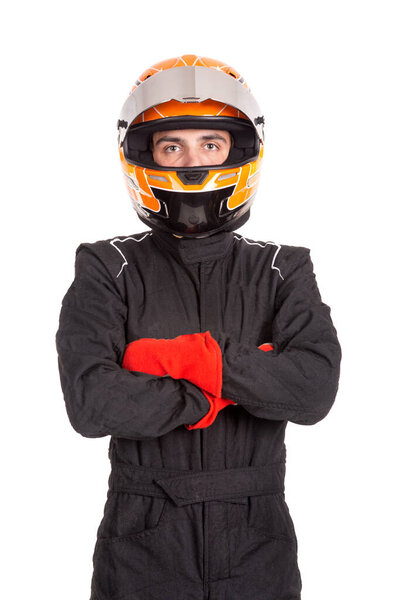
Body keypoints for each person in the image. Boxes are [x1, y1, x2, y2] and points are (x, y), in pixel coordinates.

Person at [56, 54, 341, 600]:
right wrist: (245, 381)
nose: (192, 161)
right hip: (142, 540)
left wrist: (192, 363)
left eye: (211, 143)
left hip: (259, 541)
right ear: (144, 156)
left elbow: (312, 390)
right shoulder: (106, 265)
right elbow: (93, 404)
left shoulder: (283, 267)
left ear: (239, 150)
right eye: (172, 146)